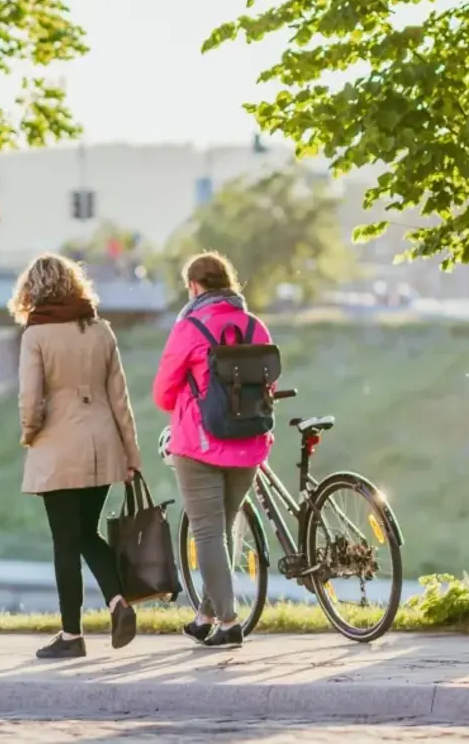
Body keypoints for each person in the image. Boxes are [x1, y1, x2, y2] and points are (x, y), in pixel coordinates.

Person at [12, 252, 143, 660]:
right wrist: (131, 452)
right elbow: (120, 399)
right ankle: (118, 601)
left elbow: (31, 399)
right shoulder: (101, 330)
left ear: (33, 290)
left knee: (65, 541)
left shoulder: (36, 335)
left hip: (58, 446)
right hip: (103, 444)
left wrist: (30, 431)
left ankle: (72, 635)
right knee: (87, 532)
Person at [153, 251, 276, 649]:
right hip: (249, 442)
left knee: (207, 533)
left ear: (193, 286)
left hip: (201, 444)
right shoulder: (255, 326)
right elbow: (268, 383)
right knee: (221, 530)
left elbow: (162, 393)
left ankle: (228, 622)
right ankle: (206, 615)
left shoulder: (190, 327)